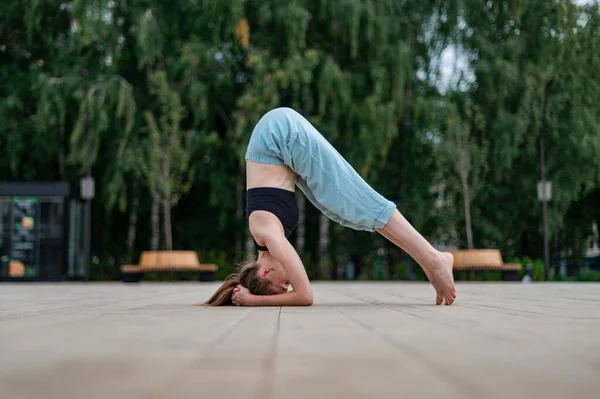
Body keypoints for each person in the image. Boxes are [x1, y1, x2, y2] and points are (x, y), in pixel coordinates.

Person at [203, 107, 456, 307]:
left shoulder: (269, 235)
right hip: (278, 143)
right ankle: (427, 260)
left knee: (355, 199)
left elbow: (305, 296)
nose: (289, 282)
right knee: (349, 213)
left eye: (283, 285)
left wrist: (254, 301)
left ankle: (435, 259)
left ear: (266, 273)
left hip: (279, 135)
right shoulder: (267, 237)